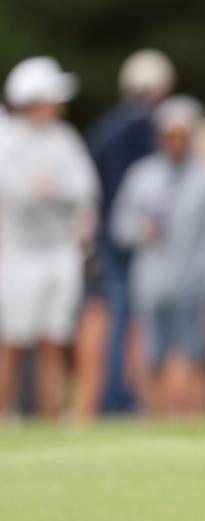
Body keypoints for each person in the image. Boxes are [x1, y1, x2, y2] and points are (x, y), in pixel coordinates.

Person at [111, 96, 205, 416]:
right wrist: (142, 231)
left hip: (195, 281)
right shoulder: (143, 175)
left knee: (196, 352)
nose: (176, 143)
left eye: (182, 135)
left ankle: (196, 419)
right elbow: (119, 227)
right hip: (152, 281)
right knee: (152, 353)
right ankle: (154, 417)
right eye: (170, 136)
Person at [0, 57, 99, 420]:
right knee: (12, 339)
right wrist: (48, 195)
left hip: (60, 250)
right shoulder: (9, 143)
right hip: (21, 253)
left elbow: (84, 189)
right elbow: (18, 196)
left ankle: (50, 417)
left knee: (53, 339)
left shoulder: (65, 139)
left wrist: (52, 191)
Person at [80, 49, 176, 419]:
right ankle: (125, 398)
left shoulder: (107, 126)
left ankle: (119, 397)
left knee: (118, 313)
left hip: (111, 232)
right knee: (132, 315)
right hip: (137, 234)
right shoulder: (147, 127)